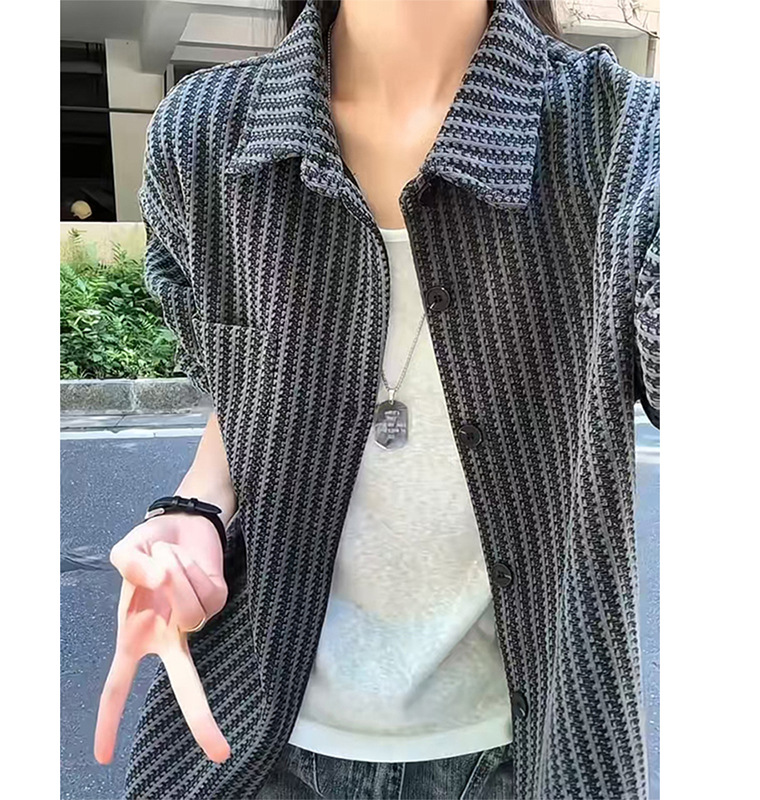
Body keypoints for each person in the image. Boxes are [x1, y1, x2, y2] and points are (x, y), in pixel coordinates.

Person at [94, 0, 659, 798]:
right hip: (256, 735)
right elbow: (247, 386)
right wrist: (194, 509)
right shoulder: (207, 135)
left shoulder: (625, 137)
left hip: (520, 754)